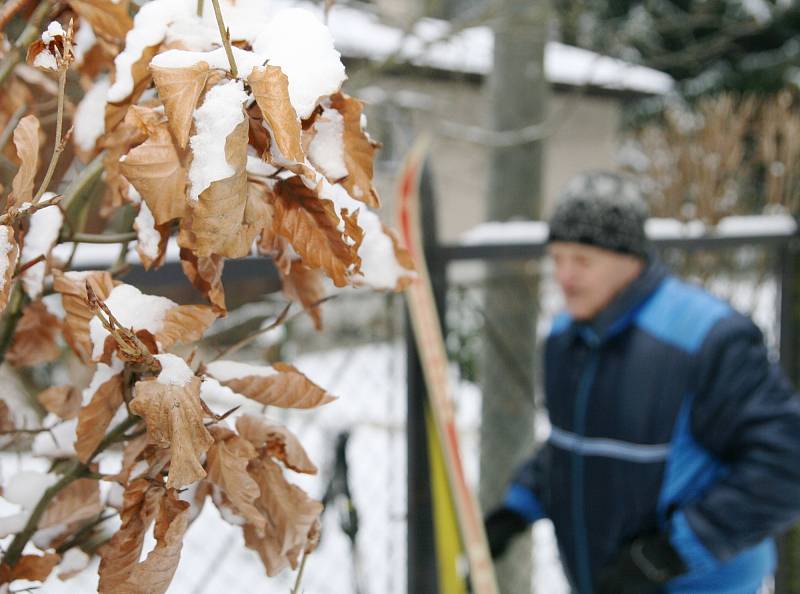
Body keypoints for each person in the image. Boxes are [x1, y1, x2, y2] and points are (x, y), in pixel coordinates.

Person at [484, 171, 800, 594]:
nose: (564, 276)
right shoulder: (566, 337)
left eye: (582, 260)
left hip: (700, 585)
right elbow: (575, 444)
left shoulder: (707, 338)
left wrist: (669, 553)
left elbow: (785, 466)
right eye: (557, 258)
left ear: (629, 259)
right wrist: (518, 508)